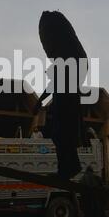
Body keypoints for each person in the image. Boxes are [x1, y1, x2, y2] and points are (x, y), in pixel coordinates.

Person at [34, 11, 89, 180]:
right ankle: (69, 166)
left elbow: (54, 84)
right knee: (61, 132)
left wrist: (40, 101)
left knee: (61, 132)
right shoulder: (64, 63)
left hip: (67, 94)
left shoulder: (64, 62)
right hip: (66, 95)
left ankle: (69, 168)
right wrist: (41, 101)